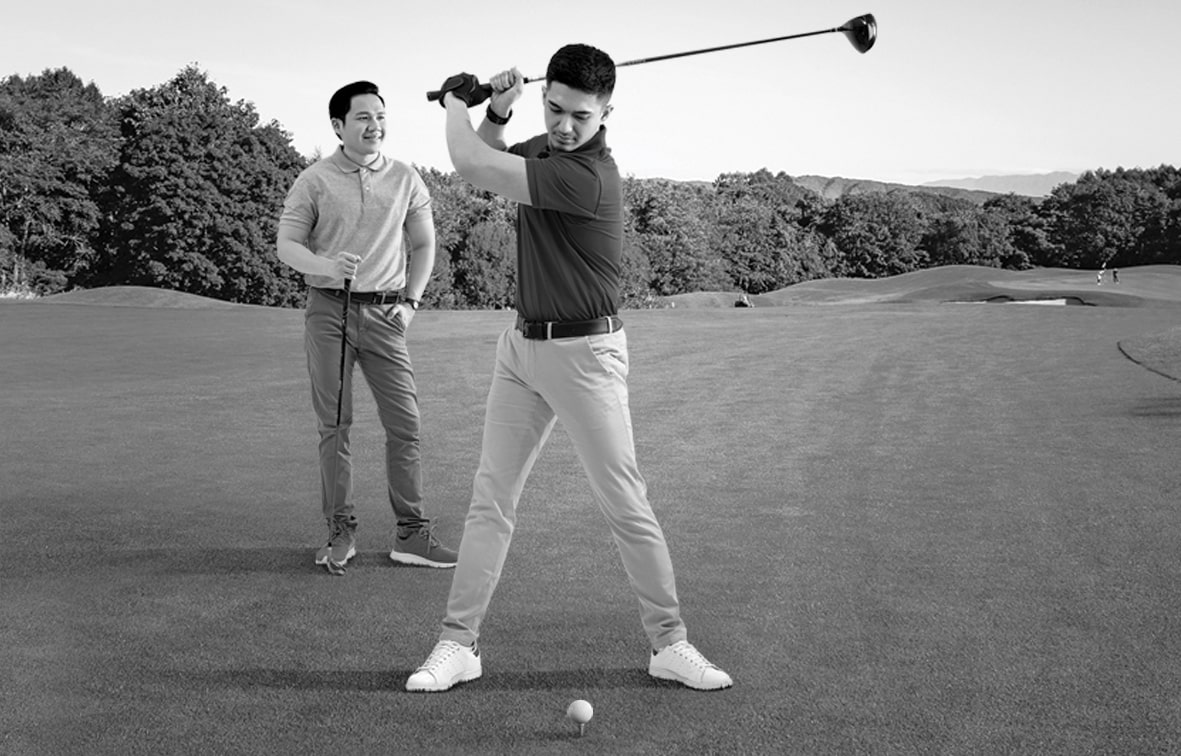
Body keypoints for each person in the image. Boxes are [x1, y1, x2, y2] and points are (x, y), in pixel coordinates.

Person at [405, 45, 732, 692]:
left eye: (580, 116)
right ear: (545, 95)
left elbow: (468, 161)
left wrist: (454, 102)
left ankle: (670, 644)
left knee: (624, 503)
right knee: (490, 501)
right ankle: (457, 645)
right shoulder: (546, 153)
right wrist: (497, 111)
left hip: (586, 358)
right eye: (554, 109)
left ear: (606, 112)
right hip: (521, 350)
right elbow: (491, 160)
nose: (563, 126)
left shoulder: (587, 177)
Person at [277, 81, 457, 574]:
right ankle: (341, 531)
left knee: (406, 425)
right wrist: (327, 265)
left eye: (380, 115)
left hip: (386, 314)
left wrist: (412, 302)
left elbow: (424, 244)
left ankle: (412, 534)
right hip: (329, 312)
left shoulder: (406, 178)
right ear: (338, 126)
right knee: (335, 425)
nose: (375, 125)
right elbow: (286, 245)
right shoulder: (313, 180)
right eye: (363, 117)